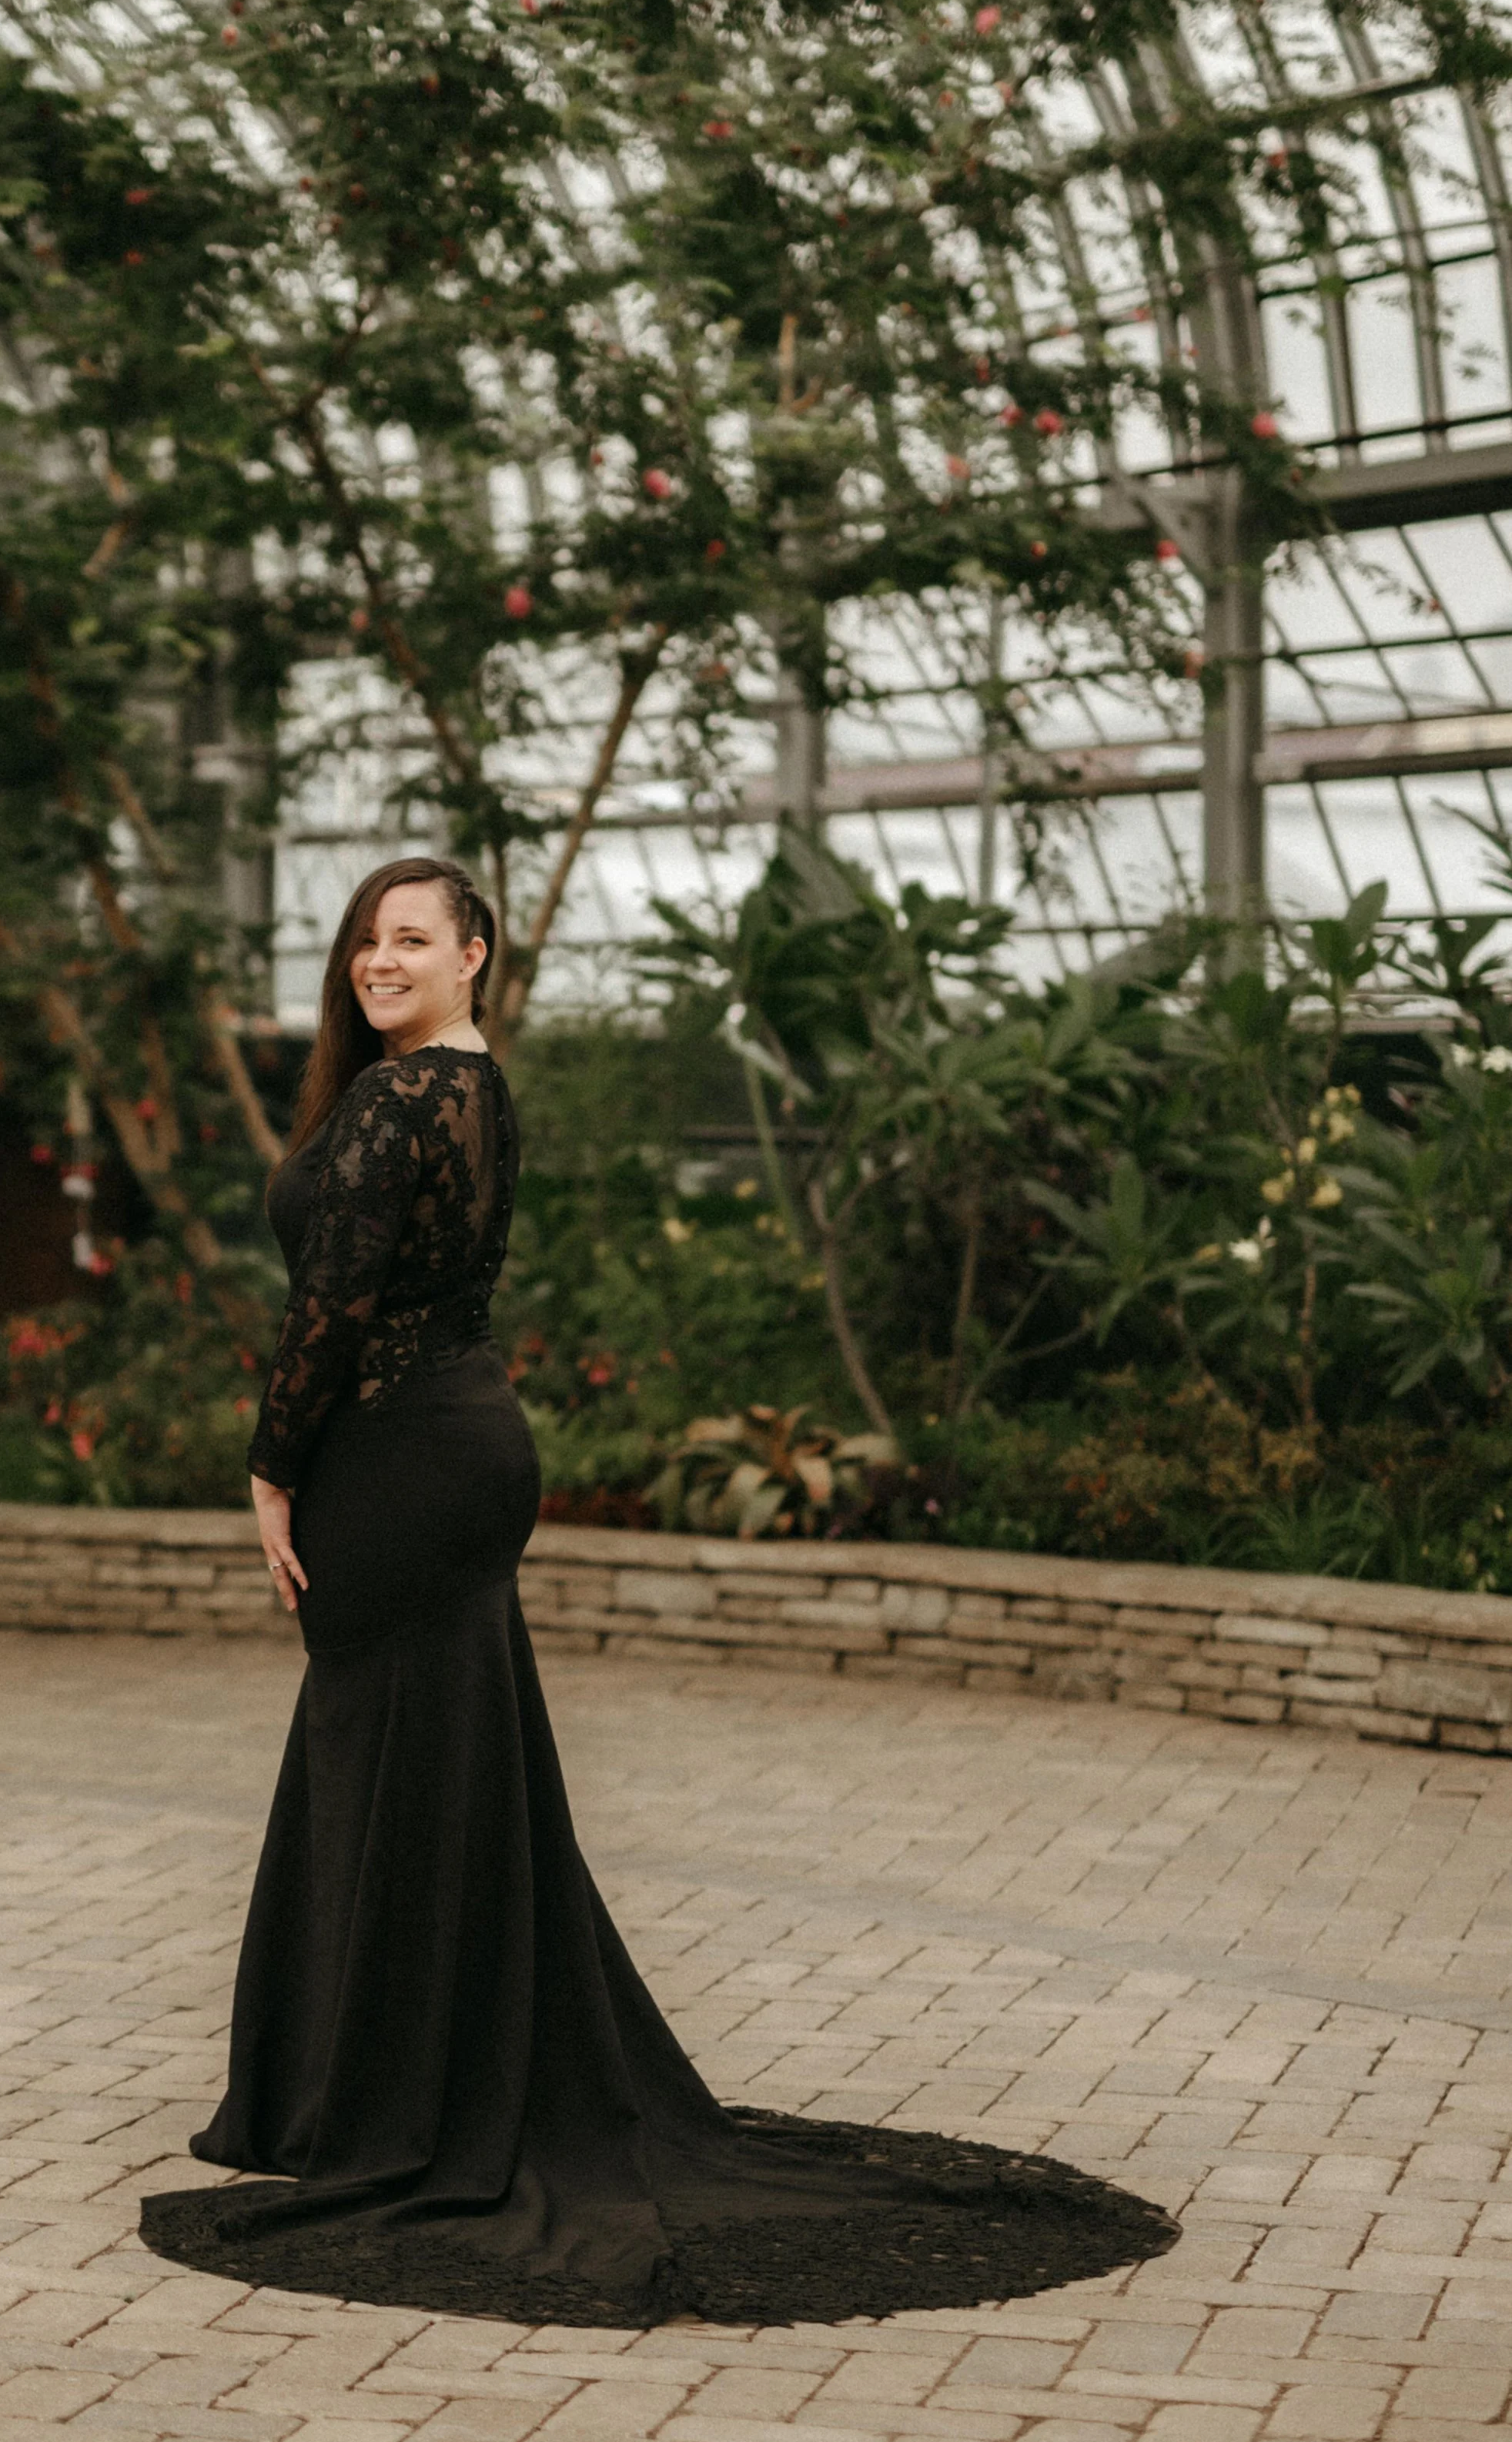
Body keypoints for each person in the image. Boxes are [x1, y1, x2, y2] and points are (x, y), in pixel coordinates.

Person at [141, 855, 1176, 2327]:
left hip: (397, 1462)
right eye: (367, 936)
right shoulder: (474, 1089)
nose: (380, 959)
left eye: (413, 937)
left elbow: (333, 1305)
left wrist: (268, 1465)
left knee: (386, 1764)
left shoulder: (398, 1099)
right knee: (441, 1770)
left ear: (474, 955)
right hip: (459, 1445)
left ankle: (384, 2110)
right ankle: (406, 2089)